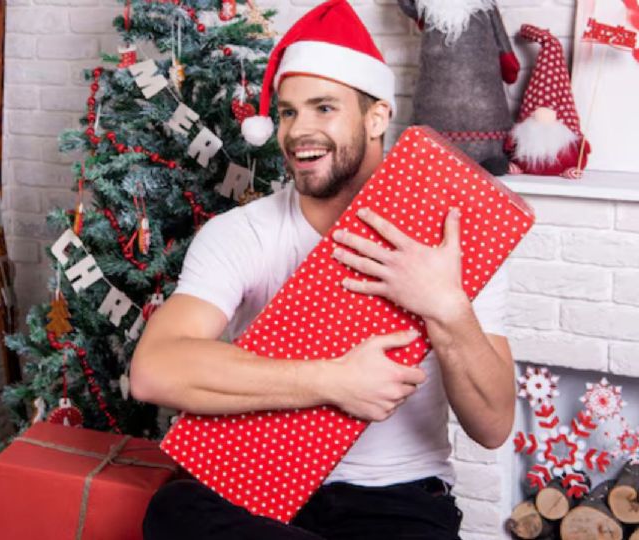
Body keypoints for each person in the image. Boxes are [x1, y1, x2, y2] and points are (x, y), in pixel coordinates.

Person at [130, 1, 515, 538]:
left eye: (324, 108)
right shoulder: (243, 233)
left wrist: (446, 306)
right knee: (175, 512)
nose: (298, 131)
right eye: (288, 112)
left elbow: (493, 427)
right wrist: (333, 381)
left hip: (395, 498)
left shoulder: (448, 245)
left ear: (376, 117)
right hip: (255, 484)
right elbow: (154, 371)